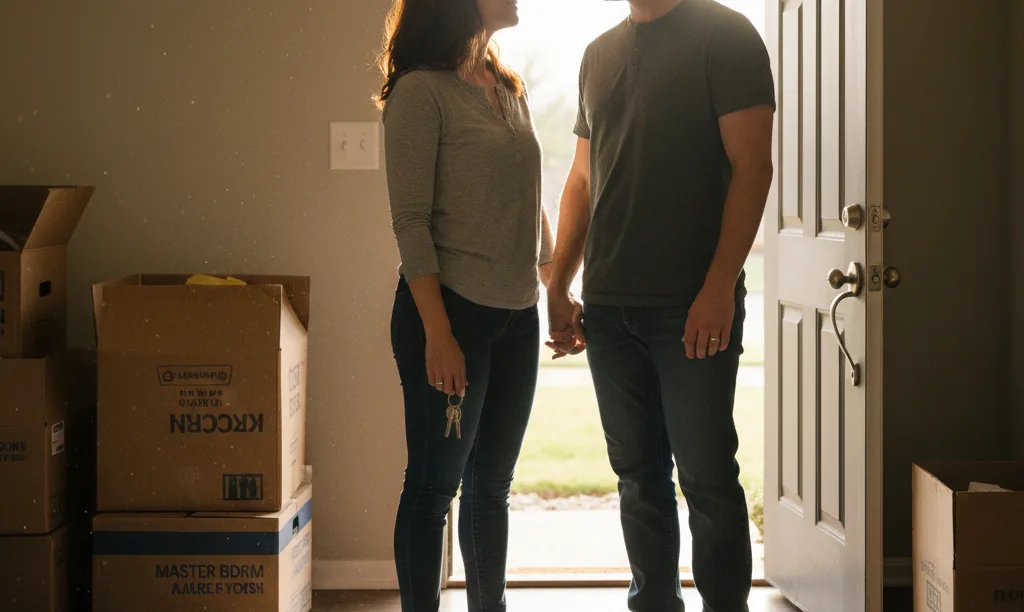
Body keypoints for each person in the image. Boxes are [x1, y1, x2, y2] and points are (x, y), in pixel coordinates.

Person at [546, 0, 776, 610]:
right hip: (608, 306)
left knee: (707, 476)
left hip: (691, 305)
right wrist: (559, 285)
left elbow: (753, 167)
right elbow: (582, 180)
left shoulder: (727, 36)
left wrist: (719, 285)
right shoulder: (598, 54)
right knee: (638, 478)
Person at [376, 0, 556, 610]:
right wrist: (437, 332)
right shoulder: (420, 92)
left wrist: (555, 286)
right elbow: (410, 222)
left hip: (517, 317)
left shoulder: (506, 86)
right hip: (449, 317)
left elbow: (529, 200)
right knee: (433, 490)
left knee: (490, 489)